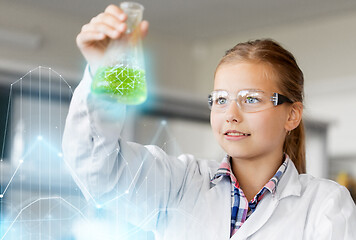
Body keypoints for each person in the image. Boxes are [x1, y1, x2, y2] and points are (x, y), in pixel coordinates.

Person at [63, 4, 356, 240]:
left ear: (292, 115)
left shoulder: (325, 205)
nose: (231, 113)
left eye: (251, 99)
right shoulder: (180, 184)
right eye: (220, 99)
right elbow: (96, 167)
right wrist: (104, 70)